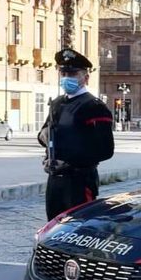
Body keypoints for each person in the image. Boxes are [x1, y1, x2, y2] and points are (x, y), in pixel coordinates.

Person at [38, 48, 114, 220]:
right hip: (55, 179)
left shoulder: (94, 106)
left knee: (80, 227)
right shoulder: (57, 103)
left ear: (85, 78)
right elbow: (45, 133)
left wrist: (69, 162)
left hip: (80, 181)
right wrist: (43, 136)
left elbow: (105, 150)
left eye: (72, 73)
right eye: (63, 72)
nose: (66, 77)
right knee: (54, 228)